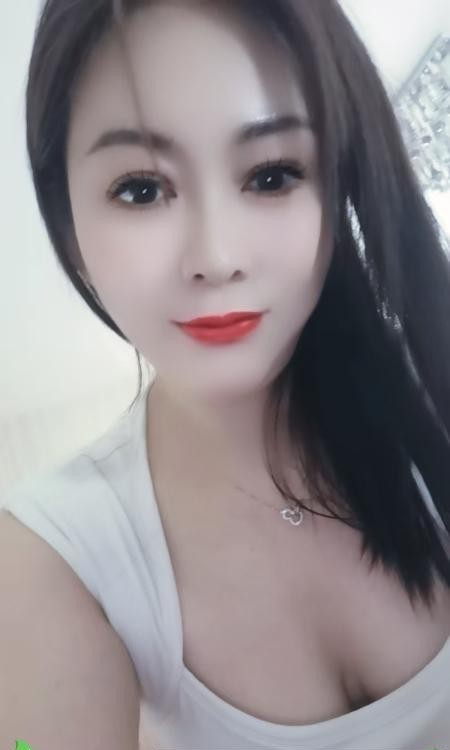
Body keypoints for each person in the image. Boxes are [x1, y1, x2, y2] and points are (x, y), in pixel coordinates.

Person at [1, 1, 449, 748]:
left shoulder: (432, 387)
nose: (217, 256)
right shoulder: (54, 560)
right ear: (69, 227)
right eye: (141, 189)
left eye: (272, 175)